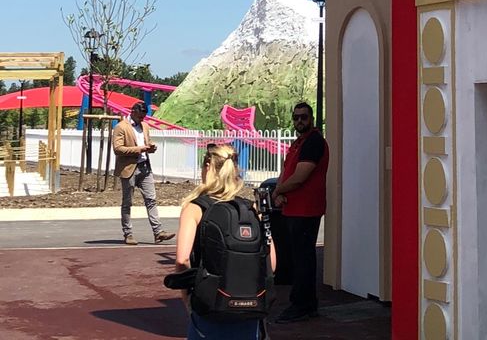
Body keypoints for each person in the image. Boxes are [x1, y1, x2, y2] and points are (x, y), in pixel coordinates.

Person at [174, 143, 265, 340]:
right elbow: (271, 262)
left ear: (208, 167)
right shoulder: (251, 209)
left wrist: (187, 297)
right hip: (250, 307)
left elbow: (182, 260)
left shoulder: (195, 208)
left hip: (210, 304)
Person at [272, 102, 330, 324]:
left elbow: (300, 177)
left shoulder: (314, 142)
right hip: (293, 208)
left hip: (306, 210)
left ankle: (301, 304)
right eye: (296, 117)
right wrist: (279, 192)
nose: (299, 121)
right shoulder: (298, 143)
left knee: (303, 258)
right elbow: (286, 171)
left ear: (311, 118)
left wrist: (278, 190)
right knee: (299, 257)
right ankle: (307, 302)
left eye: (303, 117)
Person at [112, 100, 174, 246]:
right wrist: (140, 149)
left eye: (143, 117)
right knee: (127, 202)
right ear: (133, 112)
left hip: (145, 167)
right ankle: (128, 234)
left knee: (151, 200)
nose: (142, 119)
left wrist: (150, 148)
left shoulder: (145, 126)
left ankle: (158, 232)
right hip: (129, 169)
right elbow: (118, 149)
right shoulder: (121, 127)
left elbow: (147, 143)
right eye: (140, 116)